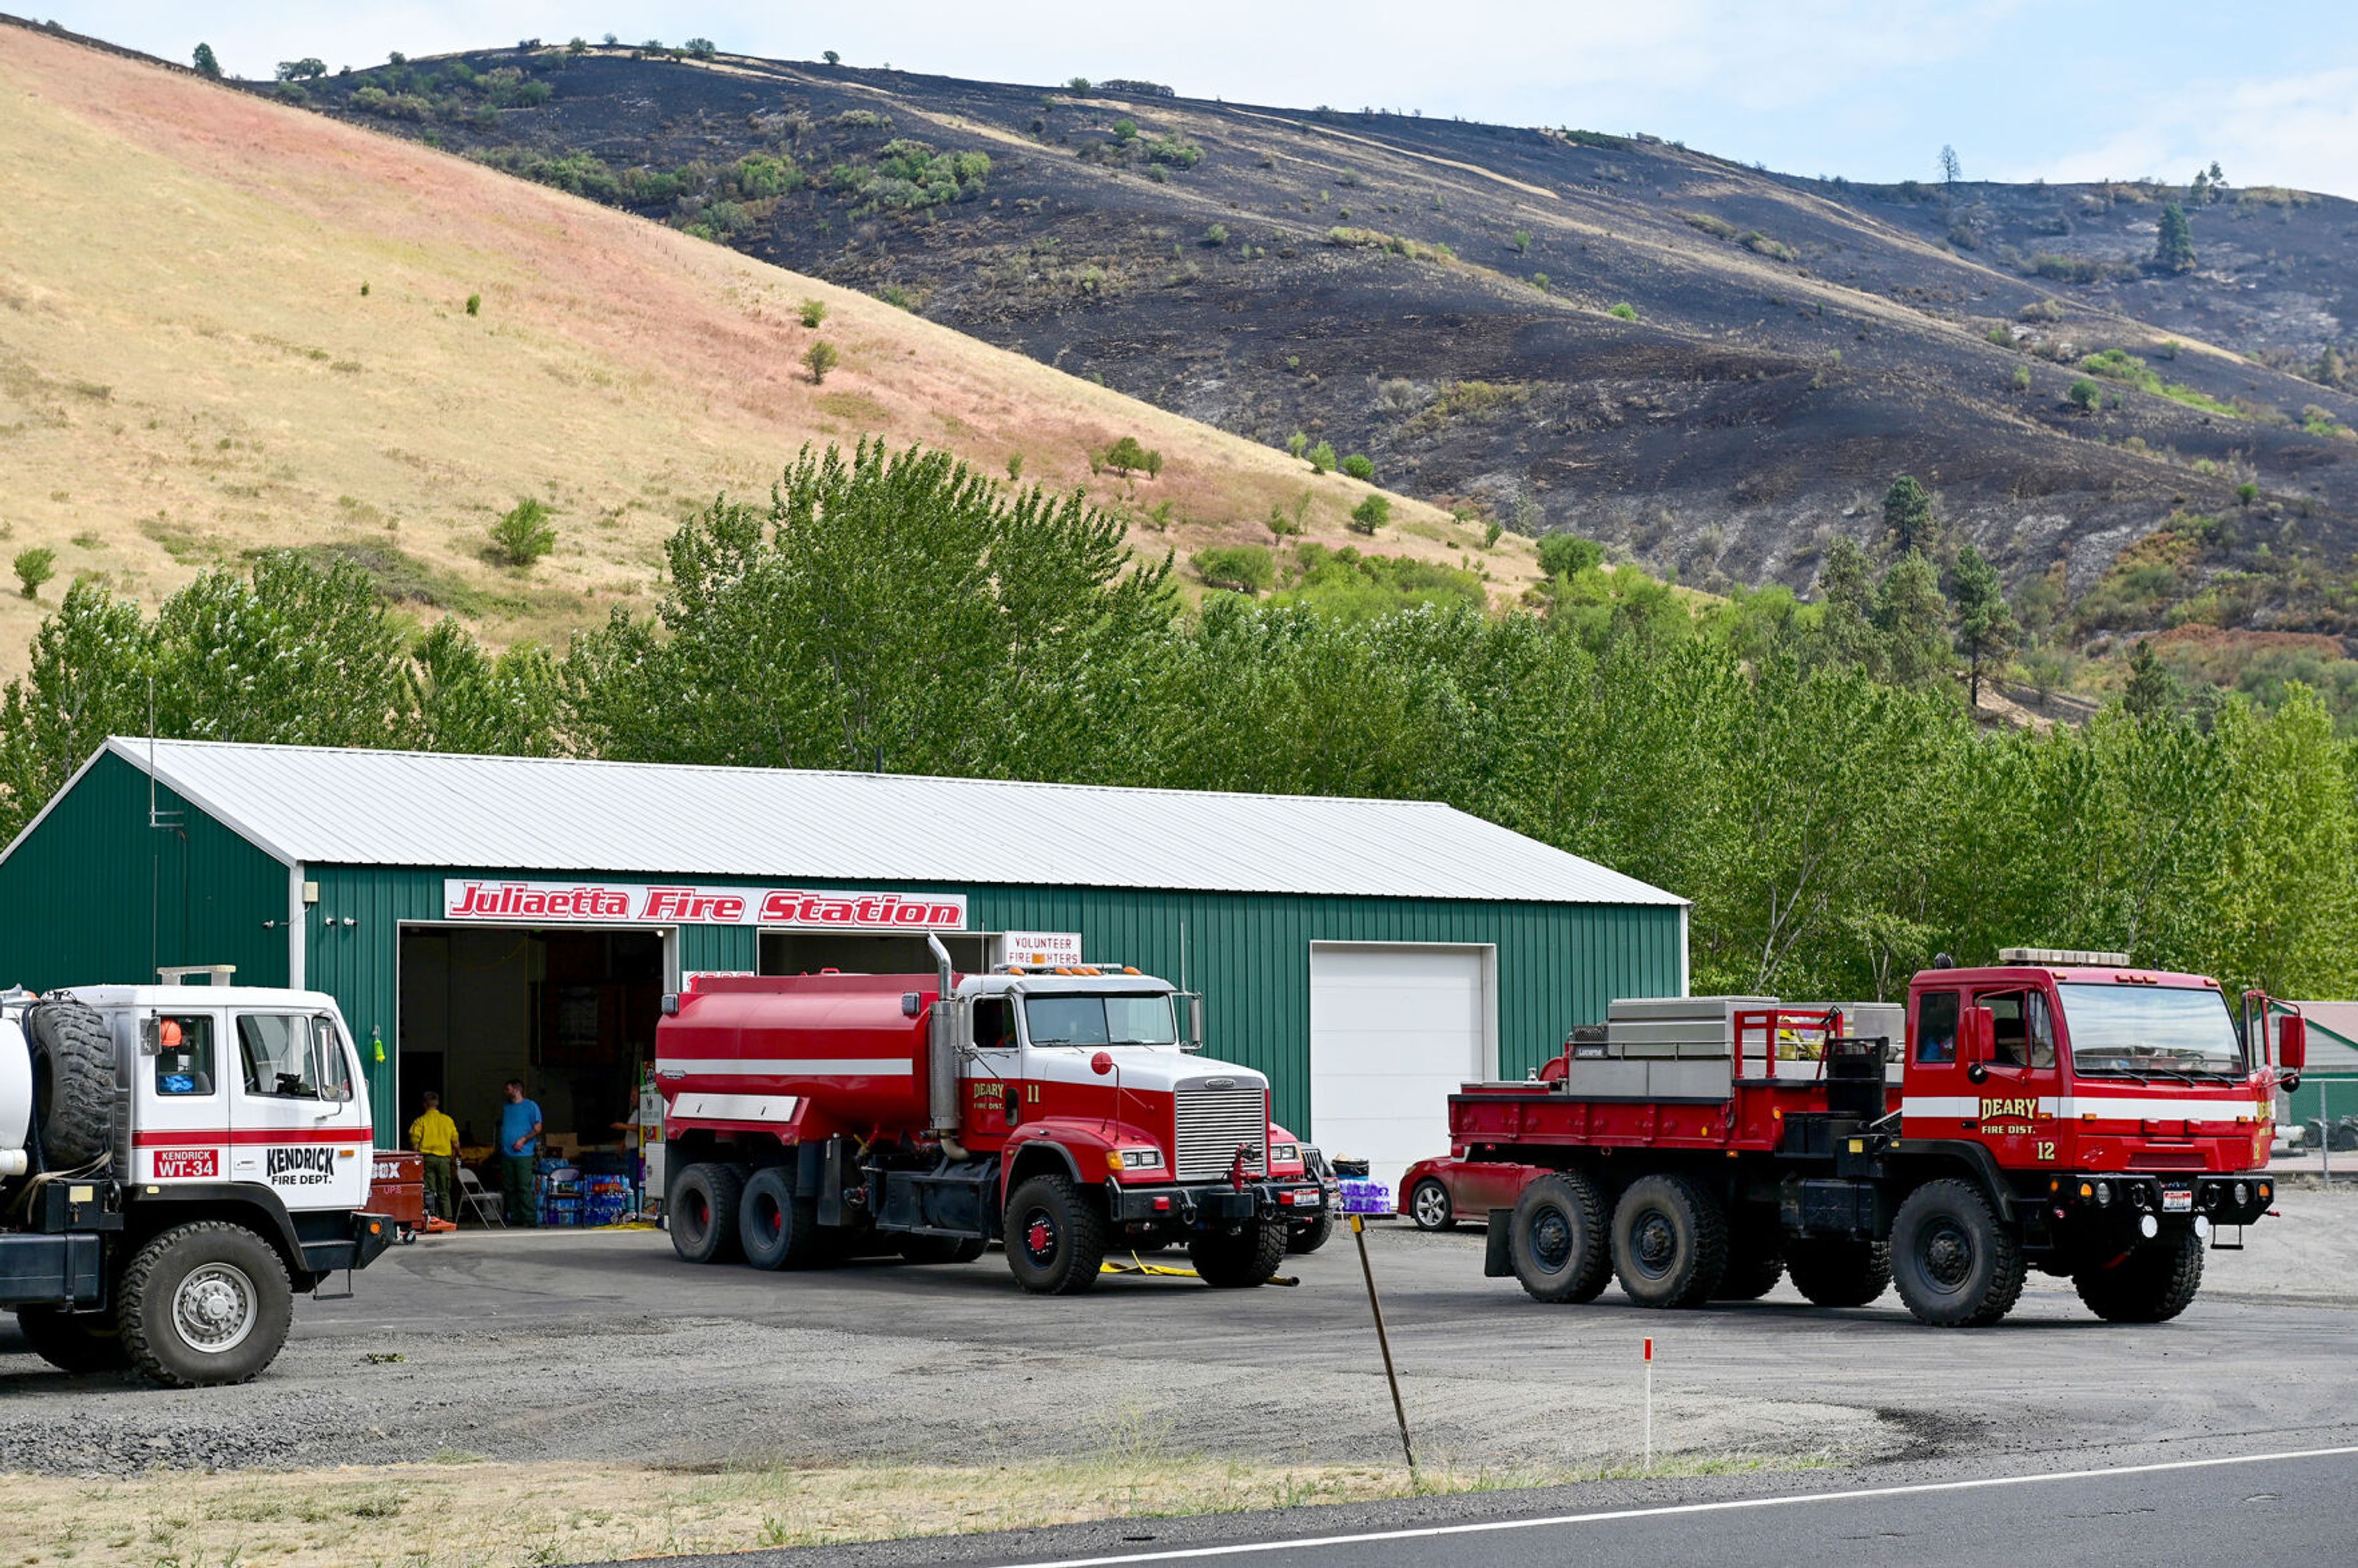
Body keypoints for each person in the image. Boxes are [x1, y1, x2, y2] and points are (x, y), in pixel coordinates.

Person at [498, 1079, 544, 1228]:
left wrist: (523, 1140)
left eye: (508, 1089)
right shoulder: (507, 1107)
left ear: (517, 1090)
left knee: (524, 1186)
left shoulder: (531, 1106)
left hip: (523, 1154)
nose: (506, 1092)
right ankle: (516, 1217)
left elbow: (538, 1128)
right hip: (507, 1153)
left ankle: (530, 1218)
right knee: (510, 1187)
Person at [408, 1091, 459, 1225]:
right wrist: (457, 1155)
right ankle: (447, 1218)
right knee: (444, 1191)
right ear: (438, 1104)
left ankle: (431, 1217)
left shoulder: (420, 1121)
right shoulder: (448, 1121)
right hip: (444, 1160)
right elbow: (455, 1143)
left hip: (428, 1159)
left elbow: (415, 1143)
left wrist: (417, 1157)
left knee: (429, 1190)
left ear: (425, 1104)